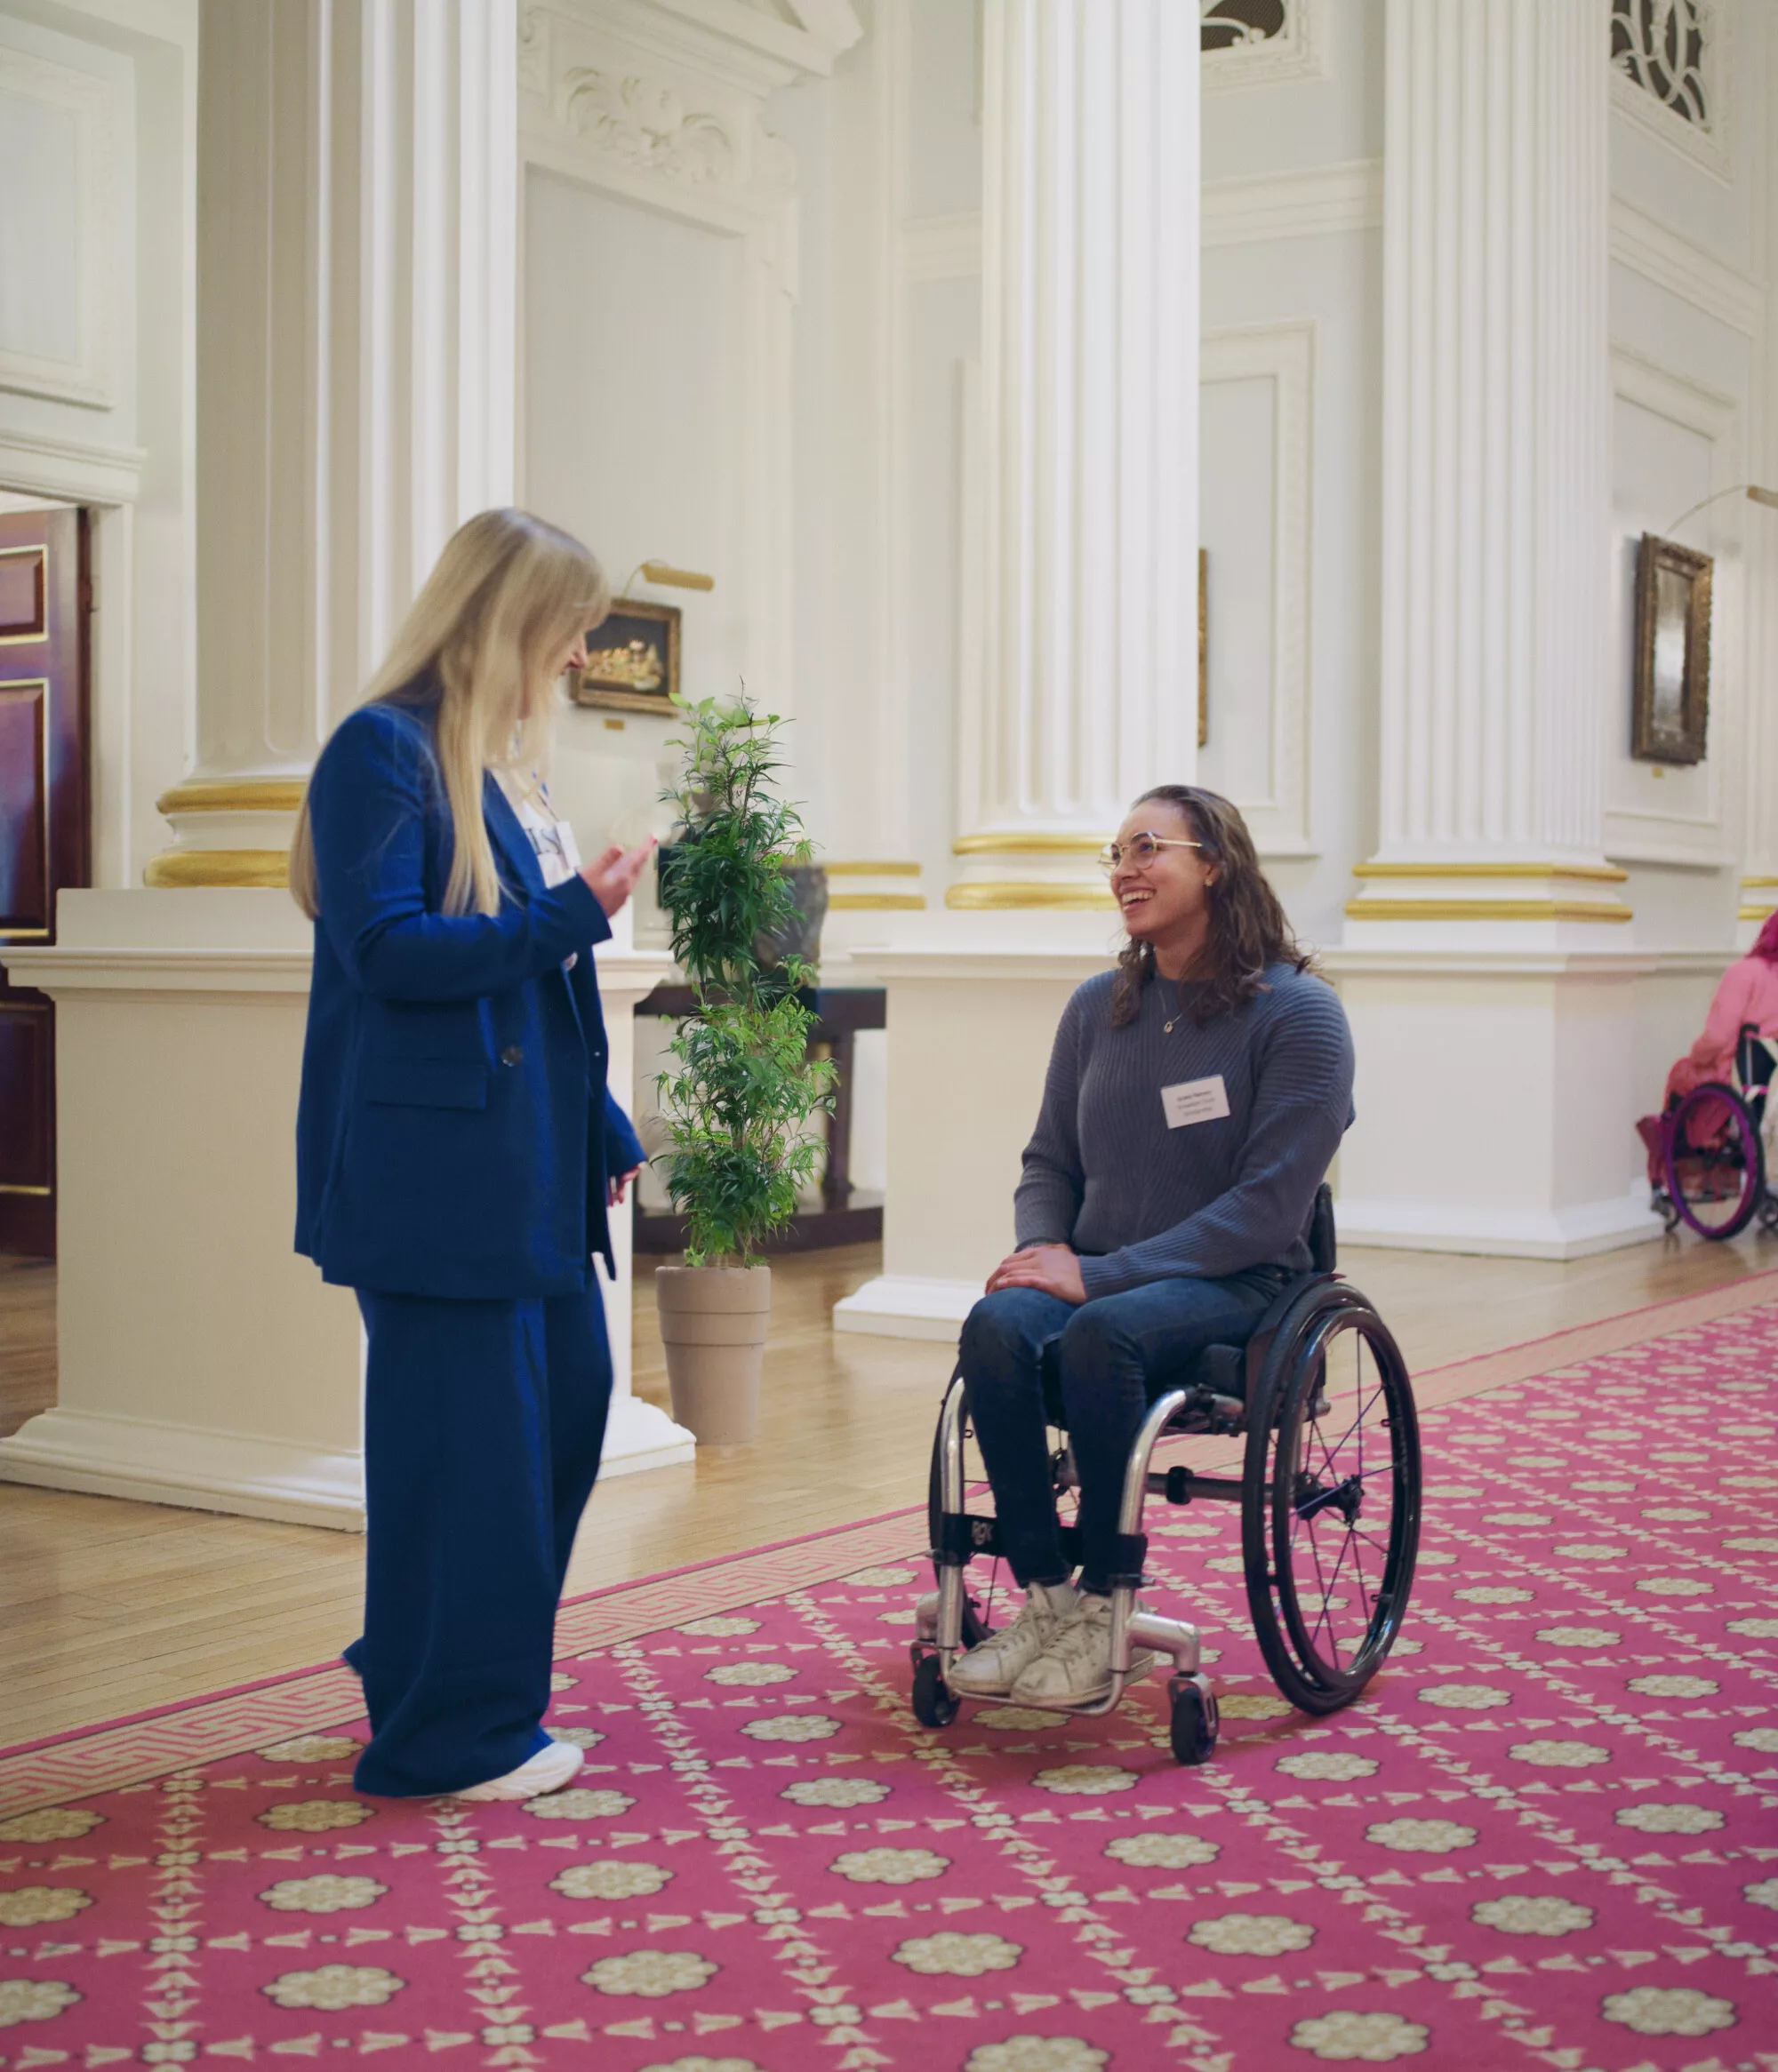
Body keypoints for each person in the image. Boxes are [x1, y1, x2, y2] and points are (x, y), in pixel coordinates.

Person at [288, 508, 655, 1802]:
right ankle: (451, 1734)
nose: (571, 660)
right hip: (435, 1185)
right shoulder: (378, 754)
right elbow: (385, 955)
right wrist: (578, 910)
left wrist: (601, 1123)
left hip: (522, 1171)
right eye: (564, 634)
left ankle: (440, 1673)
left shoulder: (494, 768)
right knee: (469, 1455)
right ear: (506, 619)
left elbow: (528, 995)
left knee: (553, 1417)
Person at [949, 786, 1354, 1708]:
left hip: (1240, 1282)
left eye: (1146, 848)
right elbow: (1048, 1159)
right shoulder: (1099, 1008)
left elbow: (1263, 1208)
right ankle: (1046, 1597)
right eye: (1115, 856)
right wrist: (1041, 1250)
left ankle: (1105, 1600)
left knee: (1103, 1335)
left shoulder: (1299, 1016)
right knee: (997, 1325)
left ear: (1212, 862)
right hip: (1098, 1276)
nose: (1124, 871)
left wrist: (1095, 1276)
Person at [1638, 913, 1778, 1180]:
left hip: (1741, 1083)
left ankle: (1681, 1176)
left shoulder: (1745, 973)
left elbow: (1718, 1037)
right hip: (1770, 1087)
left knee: (1682, 1076)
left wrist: (1696, 1057)